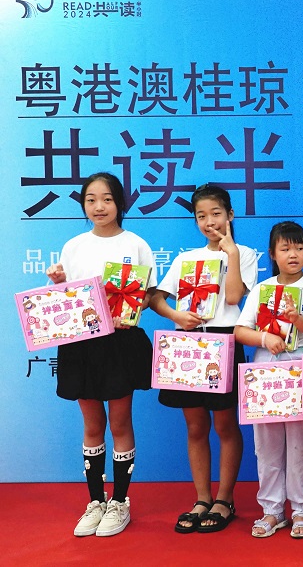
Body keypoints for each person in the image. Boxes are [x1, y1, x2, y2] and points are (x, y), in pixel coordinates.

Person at [46, 172, 157, 537]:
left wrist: (132, 310)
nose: (98, 206)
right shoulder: (73, 246)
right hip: (80, 343)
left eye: (107, 199)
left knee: (120, 423)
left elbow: (146, 294)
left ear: (120, 203)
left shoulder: (136, 244)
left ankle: (120, 502)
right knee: (93, 425)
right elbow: (63, 299)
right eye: (91, 199)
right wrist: (59, 283)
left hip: (120, 342)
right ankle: (96, 501)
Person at [149, 184, 257, 533]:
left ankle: (224, 499)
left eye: (216, 214)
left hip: (225, 339)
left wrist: (231, 254)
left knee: (225, 425)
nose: (209, 222)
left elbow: (235, 297)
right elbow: (155, 299)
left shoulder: (245, 254)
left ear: (230, 215)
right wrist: (176, 316)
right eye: (201, 216)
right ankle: (201, 498)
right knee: (195, 426)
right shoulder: (186, 259)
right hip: (189, 343)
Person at [234, 221, 303, 539]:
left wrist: (300, 315)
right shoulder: (262, 289)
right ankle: (272, 510)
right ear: (273, 254)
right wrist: (264, 339)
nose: (293, 254)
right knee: (267, 445)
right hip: (266, 369)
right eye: (285, 248)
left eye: (299, 248)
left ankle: (301, 508)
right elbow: (240, 330)